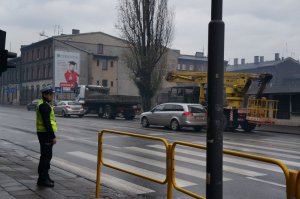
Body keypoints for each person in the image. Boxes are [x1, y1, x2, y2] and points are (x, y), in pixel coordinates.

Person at [36, 86, 58, 187]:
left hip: (44, 133)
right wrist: (53, 136)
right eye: (50, 94)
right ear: (45, 95)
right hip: (45, 134)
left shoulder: (44, 104)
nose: (52, 96)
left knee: (47, 156)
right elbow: (47, 123)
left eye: (52, 94)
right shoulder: (44, 106)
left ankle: (46, 176)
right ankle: (42, 179)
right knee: (45, 157)